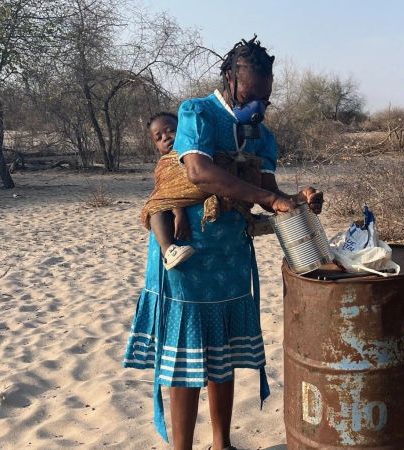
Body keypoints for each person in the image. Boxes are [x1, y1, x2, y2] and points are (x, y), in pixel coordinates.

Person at [123, 36, 323, 450]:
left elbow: (267, 188)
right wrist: (271, 199)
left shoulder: (262, 137)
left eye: (266, 99)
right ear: (231, 79)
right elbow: (198, 171)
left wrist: (298, 200)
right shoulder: (197, 113)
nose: (259, 107)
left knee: (222, 354)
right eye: (252, 96)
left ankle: (221, 443)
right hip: (187, 255)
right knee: (186, 358)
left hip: (231, 254)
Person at [139, 112, 196, 270]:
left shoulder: (195, 155)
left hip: (198, 199)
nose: (166, 137)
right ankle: (168, 250)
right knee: (155, 206)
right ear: (156, 146)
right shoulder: (164, 164)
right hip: (168, 207)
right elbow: (167, 192)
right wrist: (179, 212)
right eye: (158, 138)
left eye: (171, 130)